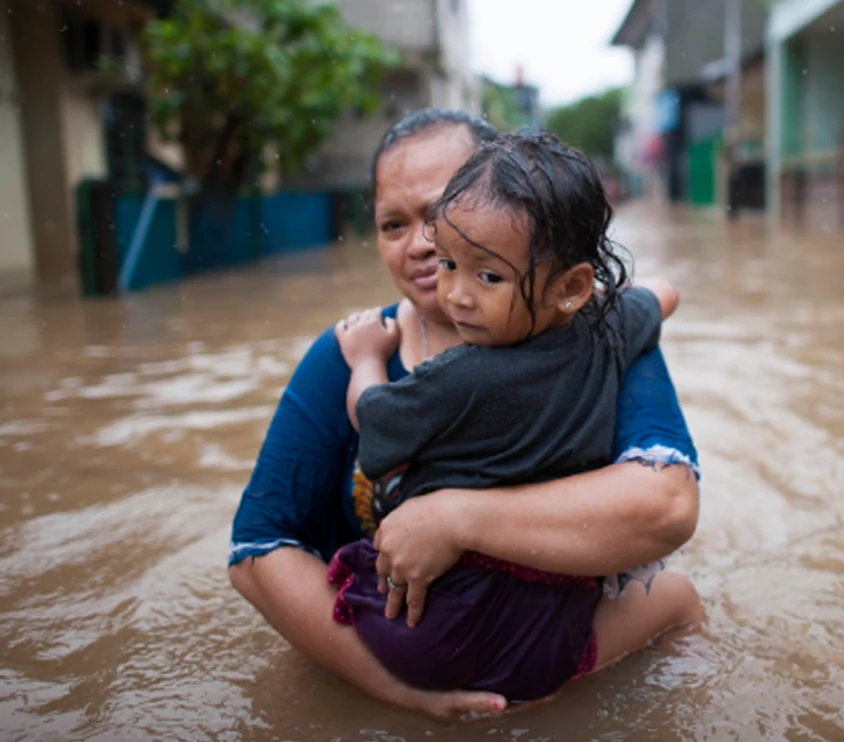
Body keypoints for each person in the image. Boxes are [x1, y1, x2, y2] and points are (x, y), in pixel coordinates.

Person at [227, 110, 702, 720]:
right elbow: (258, 549)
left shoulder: (597, 332)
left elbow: (665, 507)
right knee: (675, 598)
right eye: (392, 224)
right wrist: (395, 692)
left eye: (444, 208)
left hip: (490, 646)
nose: (424, 243)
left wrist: (456, 520)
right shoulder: (347, 349)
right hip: (420, 663)